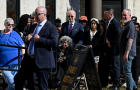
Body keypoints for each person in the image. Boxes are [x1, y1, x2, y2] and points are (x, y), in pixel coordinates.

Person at [18, 6, 57, 90]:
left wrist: (40, 39)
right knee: (31, 85)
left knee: (42, 86)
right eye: (35, 14)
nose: (35, 16)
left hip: (43, 62)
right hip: (31, 61)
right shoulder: (34, 26)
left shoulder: (51, 27)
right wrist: (28, 38)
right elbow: (30, 38)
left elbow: (54, 42)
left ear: (44, 14)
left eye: (37, 14)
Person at [0, 18, 25, 90]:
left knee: (11, 82)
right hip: (3, 63)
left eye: (12, 25)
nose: (10, 26)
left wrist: (23, 58)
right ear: (5, 24)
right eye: (9, 25)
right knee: (11, 81)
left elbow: (22, 46)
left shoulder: (15, 34)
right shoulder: (0, 35)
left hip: (16, 61)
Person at [103, 8, 121, 89]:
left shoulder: (115, 22)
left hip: (114, 49)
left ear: (110, 15)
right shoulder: (108, 22)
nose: (104, 16)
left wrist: (111, 42)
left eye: (106, 14)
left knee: (115, 66)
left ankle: (117, 85)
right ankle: (114, 83)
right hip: (109, 49)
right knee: (112, 67)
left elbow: (118, 35)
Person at [120, 9, 137, 90]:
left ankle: (130, 88)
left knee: (127, 72)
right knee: (127, 72)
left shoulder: (130, 25)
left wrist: (126, 53)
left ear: (130, 15)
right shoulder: (127, 25)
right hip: (125, 52)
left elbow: (130, 40)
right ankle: (134, 87)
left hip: (128, 53)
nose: (123, 16)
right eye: (122, 15)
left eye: (125, 15)